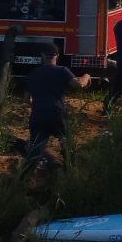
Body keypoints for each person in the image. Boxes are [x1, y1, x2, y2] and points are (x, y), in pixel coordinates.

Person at [21, 44, 91, 176]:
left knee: (35, 151)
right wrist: (86, 76)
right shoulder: (62, 71)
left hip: (38, 115)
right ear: (57, 56)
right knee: (67, 144)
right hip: (57, 113)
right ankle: (70, 173)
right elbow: (79, 84)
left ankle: (23, 180)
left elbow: (26, 99)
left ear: (42, 56)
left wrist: (38, 105)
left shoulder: (33, 74)